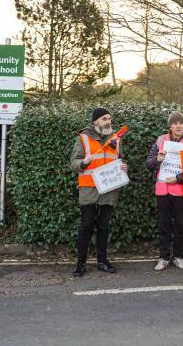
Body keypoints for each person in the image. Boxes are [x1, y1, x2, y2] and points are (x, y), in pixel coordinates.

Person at [70, 107, 128, 277]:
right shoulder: (83, 138)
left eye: (109, 118)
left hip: (109, 189)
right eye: (104, 118)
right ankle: (80, 263)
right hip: (89, 188)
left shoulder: (116, 139)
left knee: (104, 226)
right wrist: (83, 162)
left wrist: (124, 167)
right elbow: (73, 163)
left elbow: (120, 160)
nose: (108, 121)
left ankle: (102, 261)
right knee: (86, 225)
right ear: (95, 121)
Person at [146, 111, 183, 271]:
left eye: (181, 123)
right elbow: (149, 163)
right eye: (175, 123)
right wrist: (158, 160)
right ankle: (163, 258)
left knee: (180, 226)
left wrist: (179, 178)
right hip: (163, 190)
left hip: (181, 190)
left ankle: (178, 257)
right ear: (170, 126)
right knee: (163, 226)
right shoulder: (161, 140)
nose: (178, 126)